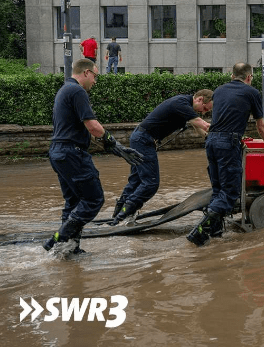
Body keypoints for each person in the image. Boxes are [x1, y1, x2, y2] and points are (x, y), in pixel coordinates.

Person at [43, 59, 144, 254]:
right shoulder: (78, 91)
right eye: (95, 76)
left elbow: (79, 129)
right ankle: (59, 238)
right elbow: (93, 126)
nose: (95, 81)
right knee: (94, 199)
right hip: (72, 153)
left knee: (73, 202)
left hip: (58, 152)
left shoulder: (65, 90)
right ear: (86, 73)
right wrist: (114, 142)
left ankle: (69, 249)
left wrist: (110, 146)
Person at [186, 62, 264, 246]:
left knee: (218, 190)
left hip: (211, 141)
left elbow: (225, 116)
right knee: (230, 193)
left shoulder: (219, 90)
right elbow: (260, 125)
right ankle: (199, 232)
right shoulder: (251, 92)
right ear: (249, 77)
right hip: (227, 144)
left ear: (232, 75)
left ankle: (215, 234)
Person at [110, 89, 214, 226]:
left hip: (140, 138)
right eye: (205, 108)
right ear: (200, 99)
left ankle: (118, 213)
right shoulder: (181, 103)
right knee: (150, 183)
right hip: (144, 140)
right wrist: (223, 133)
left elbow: (198, 127)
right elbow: (204, 125)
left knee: (136, 180)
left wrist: (207, 138)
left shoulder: (184, 104)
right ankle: (123, 216)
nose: (204, 112)